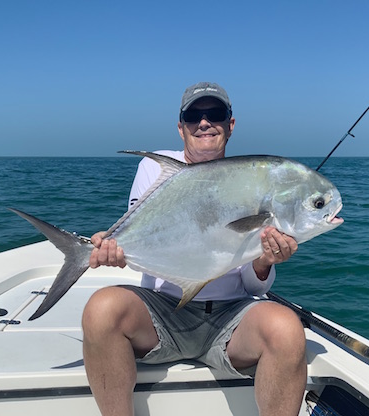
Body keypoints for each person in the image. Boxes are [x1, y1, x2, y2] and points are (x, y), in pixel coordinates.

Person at [82, 82, 307, 416]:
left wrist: (264, 262)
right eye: (193, 116)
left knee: (287, 329)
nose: (204, 123)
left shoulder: (252, 179)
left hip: (231, 318)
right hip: (163, 312)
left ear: (230, 124)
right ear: (181, 127)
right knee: (100, 310)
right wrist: (116, 248)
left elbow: (253, 286)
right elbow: (144, 249)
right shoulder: (156, 168)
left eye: (215, 113)